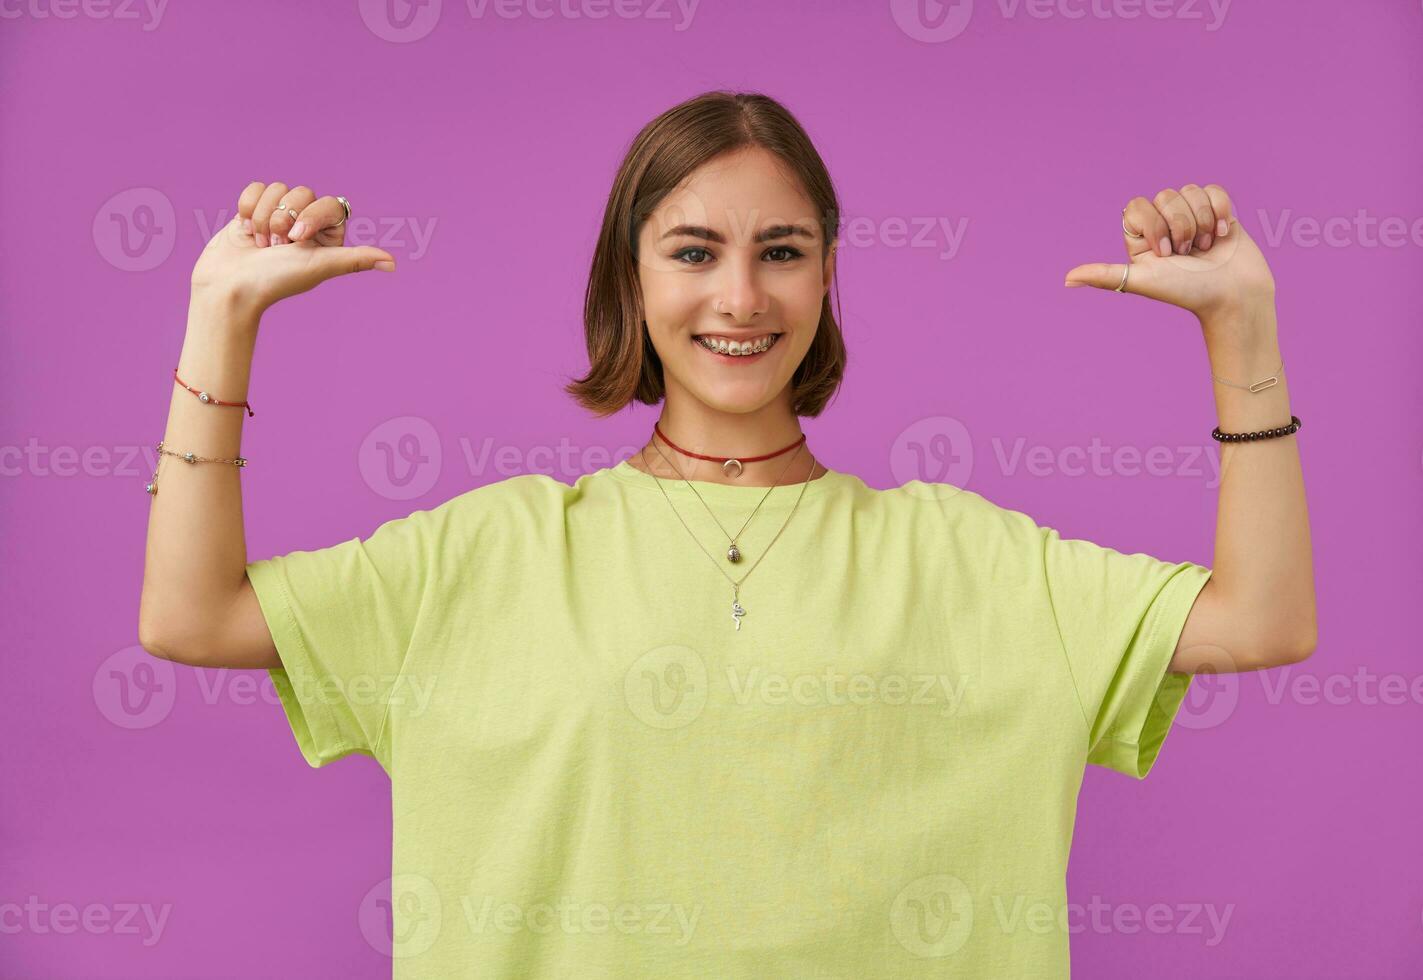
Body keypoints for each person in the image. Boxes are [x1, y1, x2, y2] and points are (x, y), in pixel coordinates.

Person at [138, 90, 1316, 978]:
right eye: (695, 251)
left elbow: (1262, 620)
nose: (742, 297)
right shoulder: (489, 551)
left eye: (782, 252)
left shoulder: (968, 556)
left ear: (827, 276)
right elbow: (192, 615)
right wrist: (220, 316)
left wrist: (1240, 328)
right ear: (633, 277)